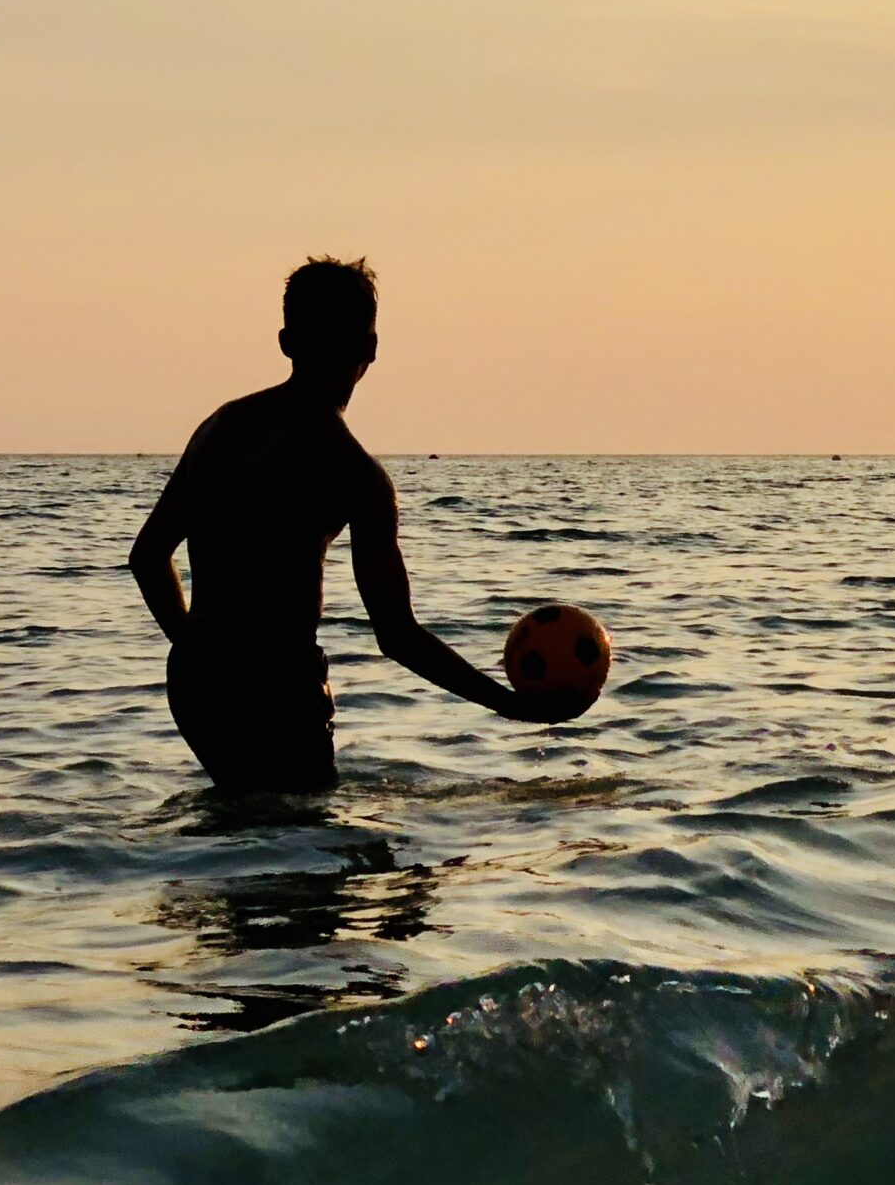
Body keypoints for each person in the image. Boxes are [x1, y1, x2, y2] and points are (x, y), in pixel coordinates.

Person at [128, 256, 573, 792]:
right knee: (308, 851)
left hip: (195, 681)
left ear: (286, 341)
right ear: (371, 348)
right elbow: (397, 635)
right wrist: (511, 706)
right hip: (277, 682)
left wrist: (198, 646)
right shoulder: (355, 474)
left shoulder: (222, 426)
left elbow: (148, 557)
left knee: (244, 837)